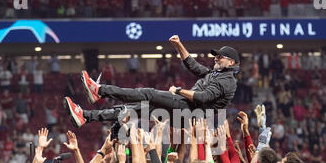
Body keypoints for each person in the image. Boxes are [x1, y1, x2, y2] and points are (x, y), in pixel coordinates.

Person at [64, 34, 240, 128]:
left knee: (148, 93)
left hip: (192, 112)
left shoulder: (227, 81)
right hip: (187, 113)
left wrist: (178, 91)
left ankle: (99, 90)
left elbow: (202, 98)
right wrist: (178, 44)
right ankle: (86, 116)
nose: (216, 58)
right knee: (136, 109)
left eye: (220, 56)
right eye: (216, 55)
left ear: (231, 62)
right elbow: (193, 65)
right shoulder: (215, 74)